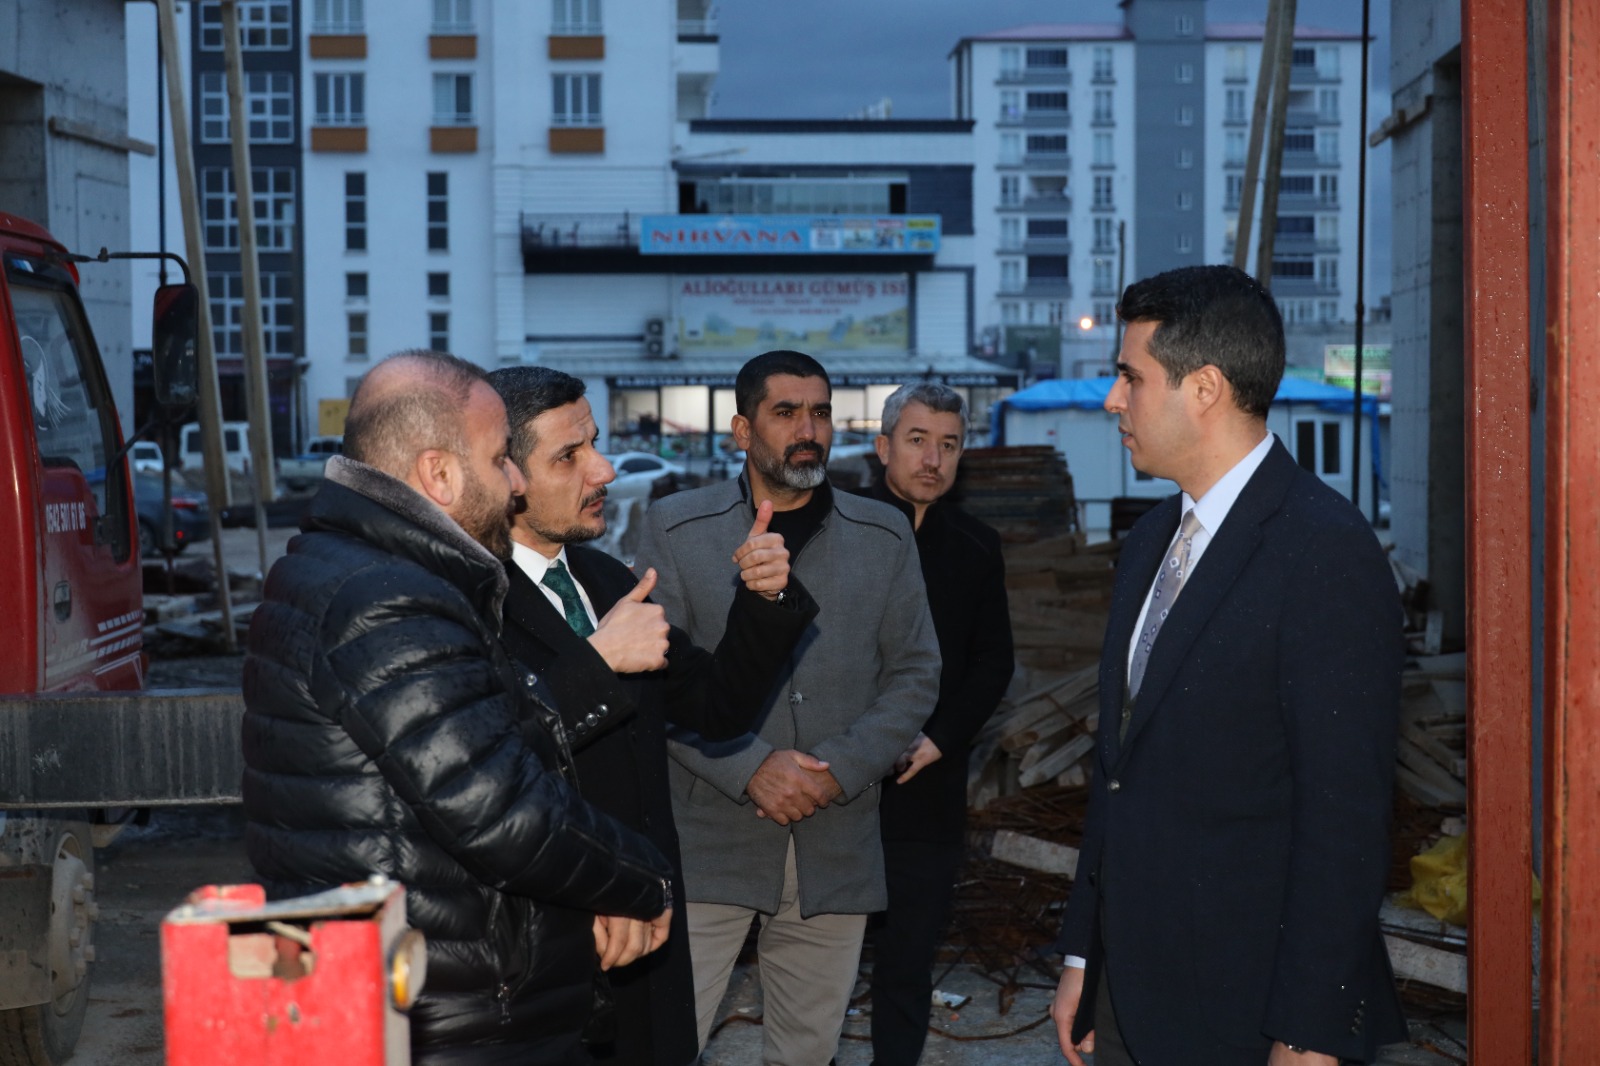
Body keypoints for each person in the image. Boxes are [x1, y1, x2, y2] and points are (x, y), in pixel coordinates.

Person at [242, 350, 675, 1066]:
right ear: (438, 474)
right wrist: (643, 880)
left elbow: (491, 744)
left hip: (426, 988)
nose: (514, 482)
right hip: (449, 1013)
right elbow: (496, 807)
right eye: (502, 457)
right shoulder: (385, 596)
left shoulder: (346, 565)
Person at [1048, 266, 1406, 1066]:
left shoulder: (1324, 551)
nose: (1113, 401)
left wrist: (1310, 1031)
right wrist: (1082, 957)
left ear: (1203, 388)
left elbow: (1345, 822)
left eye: (1129, 377)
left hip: (1249, 1010)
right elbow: (1118, 774)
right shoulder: (1148, 543)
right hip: (1130, 992)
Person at [487, 366, 817, 1066]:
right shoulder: (468, 604)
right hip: (556, 941)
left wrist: (764, 602)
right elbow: (492, 764)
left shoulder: (607, 580)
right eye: (569, 457)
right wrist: (596, 662)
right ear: (506, 476)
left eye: (595, 445)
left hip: (650, 918)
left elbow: (717, 709)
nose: (603, 470)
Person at [636, 350, 942, 1066]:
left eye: (821, 413)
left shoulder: (883, 534)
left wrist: (835, 772)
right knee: (665, 1043)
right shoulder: (677, 529)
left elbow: (916, 675)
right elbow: (652, 679)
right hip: (711, 842)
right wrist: (750, 771)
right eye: (785, 413)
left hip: (835, 844)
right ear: (741, 431)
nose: (808, 429)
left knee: (807, 1053)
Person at [858, 384, 1014, 1066]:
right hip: (838, 785)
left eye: (949, 444)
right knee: (815, 960)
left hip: (928, 785)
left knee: (908, 960)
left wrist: (939, 741)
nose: (933, 458)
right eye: (918, 439)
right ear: (883, 444)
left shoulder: (977, 547)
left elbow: (993, 662)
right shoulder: (840, 531)